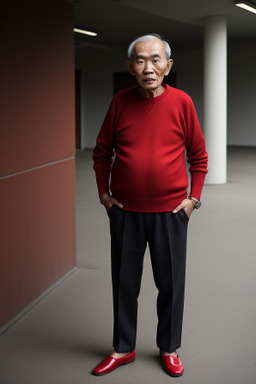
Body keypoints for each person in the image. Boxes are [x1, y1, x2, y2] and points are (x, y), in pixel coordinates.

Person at [91, 33, 208, 377]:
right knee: (124, 283)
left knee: (170, 284)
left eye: (155, 60)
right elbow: (101, 154)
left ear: (168, 66)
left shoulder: (182, 102)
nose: (148, 67)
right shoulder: (120, 102)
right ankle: (123, 347)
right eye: (140, 61)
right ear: (130, 67)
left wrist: (193, 199)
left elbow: (199, 157)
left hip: (171, 213)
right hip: (125, 212)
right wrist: (104, 196)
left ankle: (168, 348)